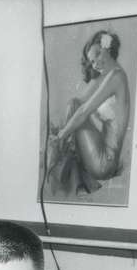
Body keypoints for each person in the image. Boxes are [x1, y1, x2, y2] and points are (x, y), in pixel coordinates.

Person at [46, 29, 131, 196]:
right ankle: (58, 148)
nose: (96, 63)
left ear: (108, 47)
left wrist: (61, 135)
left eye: (98, 54)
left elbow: (84, 111)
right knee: (73, 104)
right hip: (102, 153)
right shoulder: (107, 75)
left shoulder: (117, 77)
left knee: (74, 112)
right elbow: (77, 102)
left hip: (104, 163)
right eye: (92, 61)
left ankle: (57, 149)